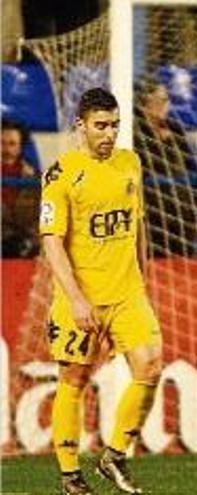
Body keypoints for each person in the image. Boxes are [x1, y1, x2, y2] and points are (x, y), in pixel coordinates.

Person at [40, 88, 162, 495]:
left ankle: (114, 455)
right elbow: (52, 242)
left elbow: (138, 225)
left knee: (150, 367)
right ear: (81, 126)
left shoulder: (131, 163)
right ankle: (71, 475)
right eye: (101, 126)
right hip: (82, 296)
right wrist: (75, 299)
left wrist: (144, 279)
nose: (109, 134)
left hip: (128, 292)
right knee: (74, 378)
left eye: (114, 125)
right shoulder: (61, 174)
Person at [133, 77, 197, 257]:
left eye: (166, 100)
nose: (163, 105)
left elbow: (190, 167)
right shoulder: (132, 132)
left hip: (180, 207)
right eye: (158, 100)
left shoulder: (176, 130)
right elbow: (144, 167)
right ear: (144, 103)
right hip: (150, 207)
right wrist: (163, 145)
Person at [2, 119, 39, 257]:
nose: (6, 150)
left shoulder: (36, 180)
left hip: (27, 252)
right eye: (1, 143)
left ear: (20, 147)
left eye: (12, 144)